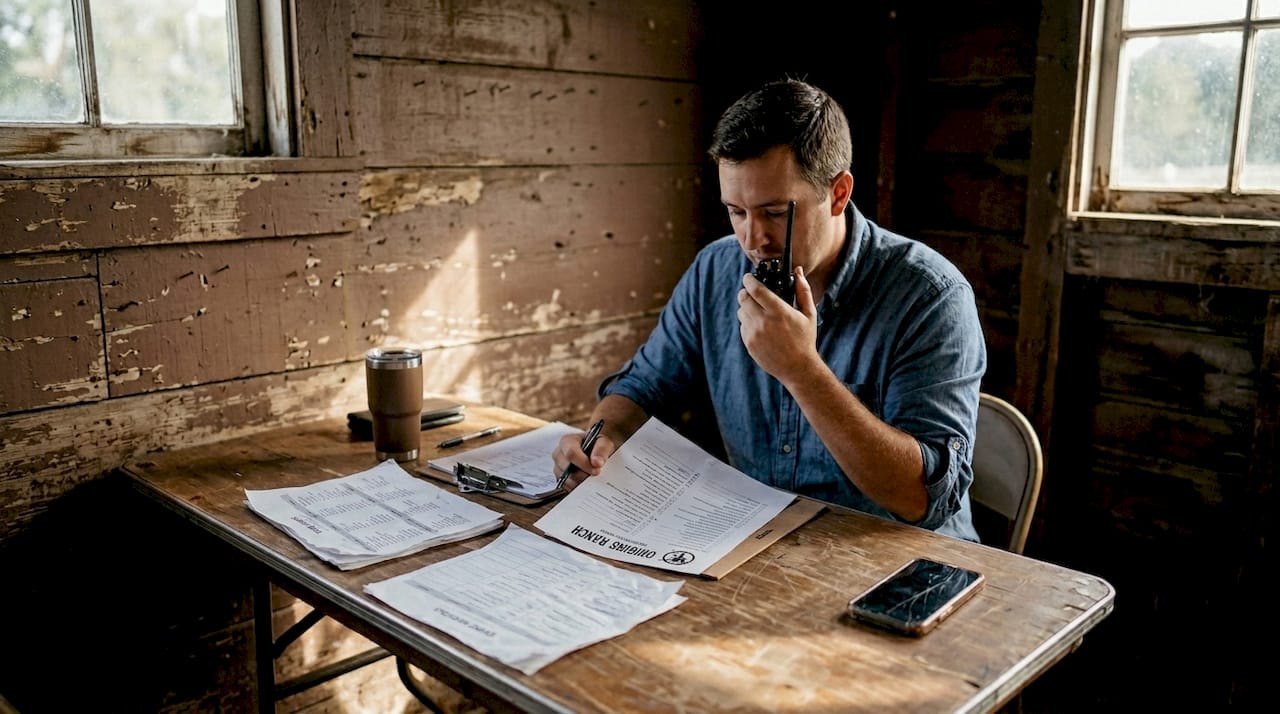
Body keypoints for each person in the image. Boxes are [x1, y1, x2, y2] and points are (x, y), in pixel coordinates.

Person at [552, 78, 986, 541]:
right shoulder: (716, 270)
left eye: (776, 213)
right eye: (737, 211)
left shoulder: (929, 296)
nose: (753, 240)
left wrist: (803, 372)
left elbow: (924, 500)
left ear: (839, 194)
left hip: (903, 559)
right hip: (764, 541)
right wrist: (601, 439)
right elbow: (643, 387)